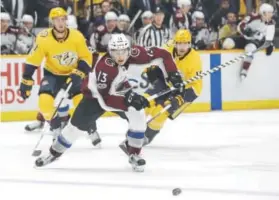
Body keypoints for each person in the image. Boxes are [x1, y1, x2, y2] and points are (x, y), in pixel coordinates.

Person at [34, 33, 184, 172]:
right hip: (95, 97)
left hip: (119, 89)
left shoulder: (136, 53)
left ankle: (134, 153)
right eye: (116, 52)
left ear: (129, 49)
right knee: (74, 129)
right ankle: (54, 152)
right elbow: (105, 100)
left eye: (123, 52)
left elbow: (163, 55)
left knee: (138, 114)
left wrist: (173, 74)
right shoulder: (105, 67)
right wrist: (130, 99)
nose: (120, 56)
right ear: (110, 51)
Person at [19, 7, 92, 137]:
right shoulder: (43, 37)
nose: (60, 22)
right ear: (52, 22)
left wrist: (79, 72)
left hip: (73, 74)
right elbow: (33, 60)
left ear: (66, 21)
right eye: (57, 20)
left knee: (82, 103)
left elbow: (86, 57)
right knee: (44, 103)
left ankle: (91, 128)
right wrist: (26, 78)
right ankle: (56, 129)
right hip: (52, 75)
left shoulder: (77, 36)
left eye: (63, 19)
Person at [143, 29, 203, 145]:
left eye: (185, 43)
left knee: (160, 113)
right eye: (180, 43)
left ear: (190, 44)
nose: (182, 47)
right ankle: (136, 130)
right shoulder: (168, 48)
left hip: (183, 91)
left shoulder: (195, 60)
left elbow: (197, 87)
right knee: (145, 102)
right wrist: (152, 68)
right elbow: (155, 57)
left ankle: (148, 136)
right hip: (166, 82)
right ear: (174, 43)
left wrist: (181, 98)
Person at [222, 3, 275, 81]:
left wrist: (270, 44)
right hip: (244, 38)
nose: (271, 15)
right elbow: (240, 25)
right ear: (263, 12)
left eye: (271, 13)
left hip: (254, 42)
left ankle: (245, 70)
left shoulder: (271, 24)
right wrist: (245, 30)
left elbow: (269, 39)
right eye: (269, 13)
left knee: (250, 48)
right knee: (227, 43)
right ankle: (223, 64)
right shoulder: (252, 16)